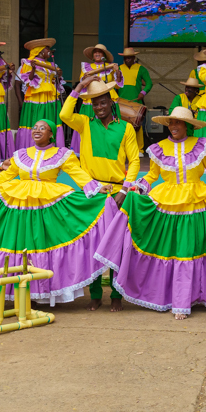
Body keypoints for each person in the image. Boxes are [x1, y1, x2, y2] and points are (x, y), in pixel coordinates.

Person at [0, 119, 128, 307]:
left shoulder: (62, 154)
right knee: (21, 247)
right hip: (20, 207)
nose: (37, 130)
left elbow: (78, 175)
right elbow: (6, 176)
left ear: (51, 134)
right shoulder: (21, 155)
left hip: (47, 208)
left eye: (42, 128)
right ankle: (25, 292)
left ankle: (41, 293)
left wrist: (96, 188)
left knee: (42, 246)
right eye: (34, 127)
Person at [100, 107, 206, 320]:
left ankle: (190, 299)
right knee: (172, 251)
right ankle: (172, 298)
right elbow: (152, 175)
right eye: (171, 123)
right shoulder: (159, 148)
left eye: (179, 123)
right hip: (167, 202)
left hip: (195, 202)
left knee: (193, 250)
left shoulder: (202, 146)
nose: (173, 127)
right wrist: (137, 188)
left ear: (187, 125)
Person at [61, 76, 140, 310]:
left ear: (111, 103)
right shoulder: (85, 123)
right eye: (94, 103)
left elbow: (134, 161)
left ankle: (117, 295)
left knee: (118, 243)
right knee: (92, 244)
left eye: (102, 103)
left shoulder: (125, 127)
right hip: (93, 192)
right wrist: (78, 88)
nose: (98, 107)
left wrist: (125, 189)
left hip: (118, 191)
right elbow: (65, 115)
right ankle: (95, 294)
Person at [14, 37, 65, 150]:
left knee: (50, 122)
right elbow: (28, 81)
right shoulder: (28, 63)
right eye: (47, 49)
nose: (49, 51)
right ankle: (31, 148)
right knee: (35, 120)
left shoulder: (52, 65)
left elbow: (55, 81)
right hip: (35, 98)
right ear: (40, 51)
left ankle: (52, 149)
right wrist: (33, 69)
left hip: (50, 98)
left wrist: (59, 75)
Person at [71, 44, 123, 153]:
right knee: (90, 123)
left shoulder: (110, 66)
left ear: (104, 55)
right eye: (95, 52)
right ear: (93, 55)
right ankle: (88, 149)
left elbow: (117, 85)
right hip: (91, 99)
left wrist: (117, 72)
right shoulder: (86, 67)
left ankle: (110, 148)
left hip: (108, 97)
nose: (97, 54)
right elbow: (82, 83)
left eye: (100, 52)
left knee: (110, 124)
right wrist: (87, 78)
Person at [118, 47, 153, 147]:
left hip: (136, 102)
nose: (127, 59)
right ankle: (122, 148)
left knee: (138, 127)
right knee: (121, 127)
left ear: (134, 57)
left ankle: (139, 149)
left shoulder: (141, 69)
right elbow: (114, 84)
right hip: (122, 102)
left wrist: (143, 93)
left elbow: (149, 83)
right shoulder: (119, 69)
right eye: (125, 58)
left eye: (129, 57)